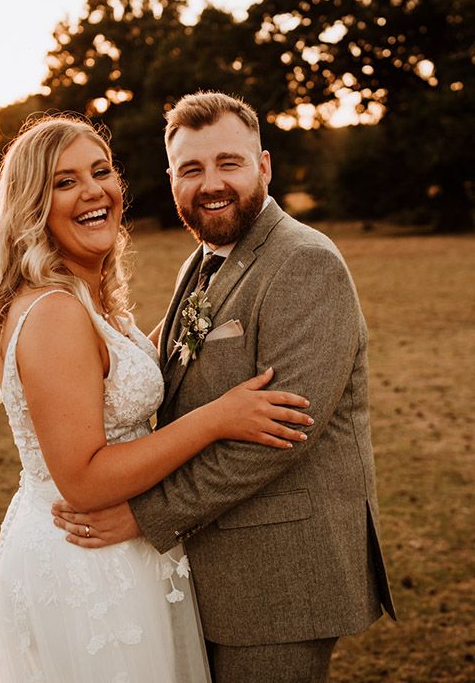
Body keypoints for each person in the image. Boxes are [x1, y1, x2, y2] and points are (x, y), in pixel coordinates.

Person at [0, 113, 316, 682]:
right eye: (65, 181)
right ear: (33, 206)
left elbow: (132, 367)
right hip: (87, 561)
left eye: (100, 171)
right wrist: (217, 419)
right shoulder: (54, 312)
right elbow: (84, 480)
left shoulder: (85, 298)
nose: (93, 190)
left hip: (124, 552)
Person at [52, 92, 397, 683]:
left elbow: (281, 436)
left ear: (264, 167)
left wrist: (144, 515)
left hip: (281, 577)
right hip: (216, 563)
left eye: (228, 163)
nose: (211, 184)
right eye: (191, 169)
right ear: (171, 180)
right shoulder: (203, 258)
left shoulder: (305, 262)